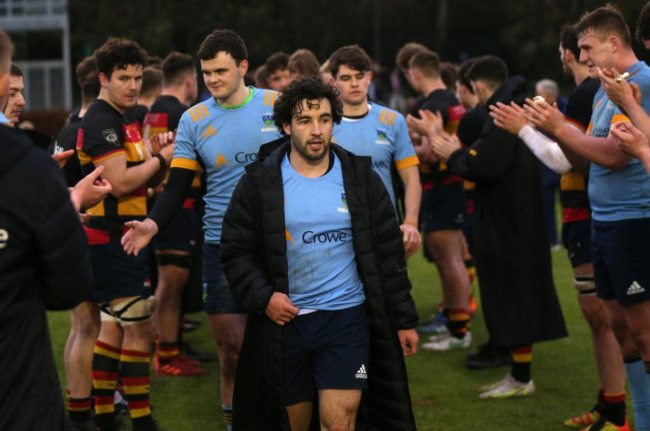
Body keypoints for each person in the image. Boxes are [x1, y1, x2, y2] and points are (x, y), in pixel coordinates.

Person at [219, 75, 418, 430]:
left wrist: (404, 320)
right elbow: (236, 252)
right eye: (305, 120)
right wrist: (264, 297)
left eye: (324, 119)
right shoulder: (259, 182)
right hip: (288, 323)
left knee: (338, 421)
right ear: (285, 125)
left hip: (346, 319)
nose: (316, 130)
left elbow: (388, 255)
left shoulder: (361, 179)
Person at [120, 29, 282, 431]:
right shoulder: (194, 119)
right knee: (230, 350)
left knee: (282, 349)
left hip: (277, 245)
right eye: (207, 72)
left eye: (221, 71)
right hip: (221, 246)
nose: (212, 80)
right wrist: (152, 225)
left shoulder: (277, 106)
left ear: (244, 67)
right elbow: (177, 186)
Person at [490, 23, 629, 429]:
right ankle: (611, 405)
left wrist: (526, 131)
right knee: (605, 318)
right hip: (587, 212)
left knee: (607, 318)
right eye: (582, 49)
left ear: (563, 53)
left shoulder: (589, 92)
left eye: (588, 49)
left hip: (590, 212)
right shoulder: (592, 92)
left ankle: (617, 410)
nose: (584, 58)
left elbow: (565, 160)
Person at [525, 6, 650, 429]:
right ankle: (630, 419)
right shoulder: (602, 90)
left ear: (615, 44)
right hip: (605, 223)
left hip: (634, 221)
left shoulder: (639, 82)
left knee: (644, 332)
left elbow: (615, 157)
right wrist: (549, 130)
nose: (583, 57)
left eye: (587, 47)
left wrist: (559, 127)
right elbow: (584, 159)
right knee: (620, 327)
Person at [428, 55, 567, 398]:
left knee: (514, 294)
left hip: (511, 221)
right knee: (511, 293)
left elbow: (485, 164)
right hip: (514, 216)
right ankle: (517, 373)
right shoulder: (511, 106)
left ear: (477, 85)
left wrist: (453, 155)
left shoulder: (504, 111)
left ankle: (521, 378)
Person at [77, 37, 173, 431]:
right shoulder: (102, 119)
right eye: (123, 78)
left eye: (136, 77)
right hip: (111, 238)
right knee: (139, 326)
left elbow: (142, 187)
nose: (133, 85)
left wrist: (157, 163)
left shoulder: (126, 118)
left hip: (123, 234)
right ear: (103, 78)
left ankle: (104, 418)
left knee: (115, 328)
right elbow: (118, 183)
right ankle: (142, 421)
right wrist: (160, 158)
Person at [0, 28, 93, 431]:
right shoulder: (27, 166)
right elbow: (66, 289)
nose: (18, 96)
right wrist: (67, 204)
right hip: (17, 387)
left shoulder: (31, 167)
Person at [141, 51, 207, 377]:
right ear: (189, 80)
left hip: (158, 201)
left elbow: (144, 150)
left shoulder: (152, 111)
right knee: (171, 280)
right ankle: (165, 354)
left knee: (171, 280)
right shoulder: (187, 114)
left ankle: (170, 348)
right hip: (177, 204)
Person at [404, 49, 472, 350]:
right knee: (453, 258)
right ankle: (456, 323)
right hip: (454, 184)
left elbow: (433, 150)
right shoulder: (452, 100)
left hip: (442, 185)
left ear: (415, 72)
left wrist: (403, 149)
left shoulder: (432, 106)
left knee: (448, 258)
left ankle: (459, 330)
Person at [328, 44, 421, 259]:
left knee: (392, 292)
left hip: (385, 228)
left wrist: (411, 222)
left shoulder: (392, 120)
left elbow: (411, 177)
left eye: (359, 76)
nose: (354, 83)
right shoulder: (324, 123)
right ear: (333, 82)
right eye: (345, 78)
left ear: (369, 77)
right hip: (338, 231)